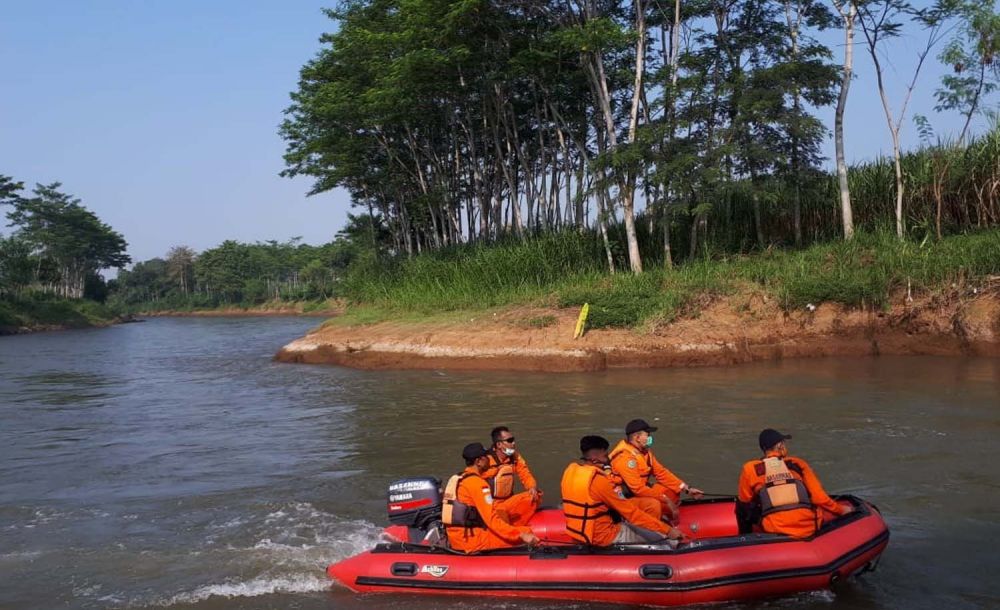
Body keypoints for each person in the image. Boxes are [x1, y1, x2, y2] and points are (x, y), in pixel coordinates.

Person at [561, 435, 685, 546]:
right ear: (594, 459)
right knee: (667, 542)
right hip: (604, 536)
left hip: (579, 533)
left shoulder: (570, 473)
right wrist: (668, 530)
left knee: (650, 507)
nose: (608, 460)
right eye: (605, 456)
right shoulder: (598, 481)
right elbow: (632, 514)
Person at [736, 428, 854, 539]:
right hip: (808, 528)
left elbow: (745, 503)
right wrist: (841, 510)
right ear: (780, 445)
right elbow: (820, 498)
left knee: (741, 506)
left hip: (774, 528)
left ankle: (744, 541)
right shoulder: (798, 463)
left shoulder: (750, 468)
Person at [443, 442, 540, 552]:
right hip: (471, 540)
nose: (489, 459)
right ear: (478, 461)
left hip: (456, 537)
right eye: (486, 457)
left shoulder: (458, 478)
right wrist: (521, 535)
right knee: (526, 532)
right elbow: (492, 521)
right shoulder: (478, 484)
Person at [609, 418, 704, 521]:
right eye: (648, 434)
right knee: (654, 505)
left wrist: (687, 488)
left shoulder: (644, 452)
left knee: (672, 493)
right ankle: (652, 528)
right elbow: (638, 489)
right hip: (624, 496)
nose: (650, 437)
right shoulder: (625, 458)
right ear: (637, 437)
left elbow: (661, 472)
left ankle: (665, 518)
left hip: (639, 490)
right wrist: (665, 499)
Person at [481, 426, 541, 526]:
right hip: (492, 504)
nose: (513, 443)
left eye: (513, 440)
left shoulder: (514, 457)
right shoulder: (486, 460)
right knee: (500, 512)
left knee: (536, 495)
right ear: (499, 444)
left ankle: (516, 524)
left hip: (508, 501)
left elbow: (525, 473)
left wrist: (531, 487)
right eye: (509, 440)